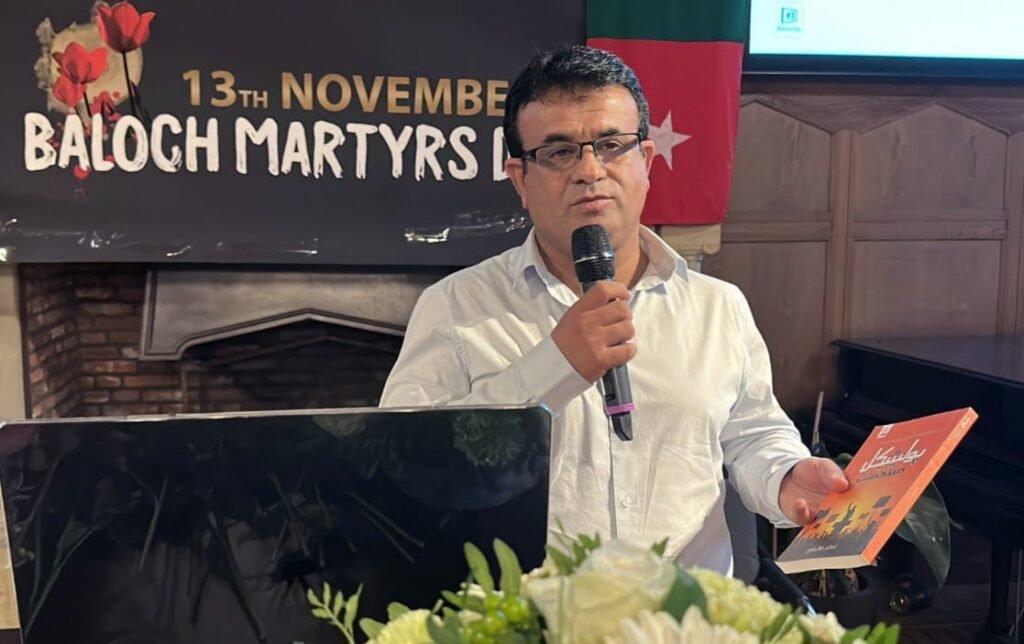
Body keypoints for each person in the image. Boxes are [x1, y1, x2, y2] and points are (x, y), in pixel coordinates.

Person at [379, 45, 847, 574]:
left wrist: (787, 476)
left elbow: (752, 434)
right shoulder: (455, 307)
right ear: (520, 179)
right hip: (528, 612)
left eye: (610, 145)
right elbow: (410, 472)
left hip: (685, 610)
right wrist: (556, 366)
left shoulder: (718, 306)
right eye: (558, 152)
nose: (589, 170)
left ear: (646, 160)